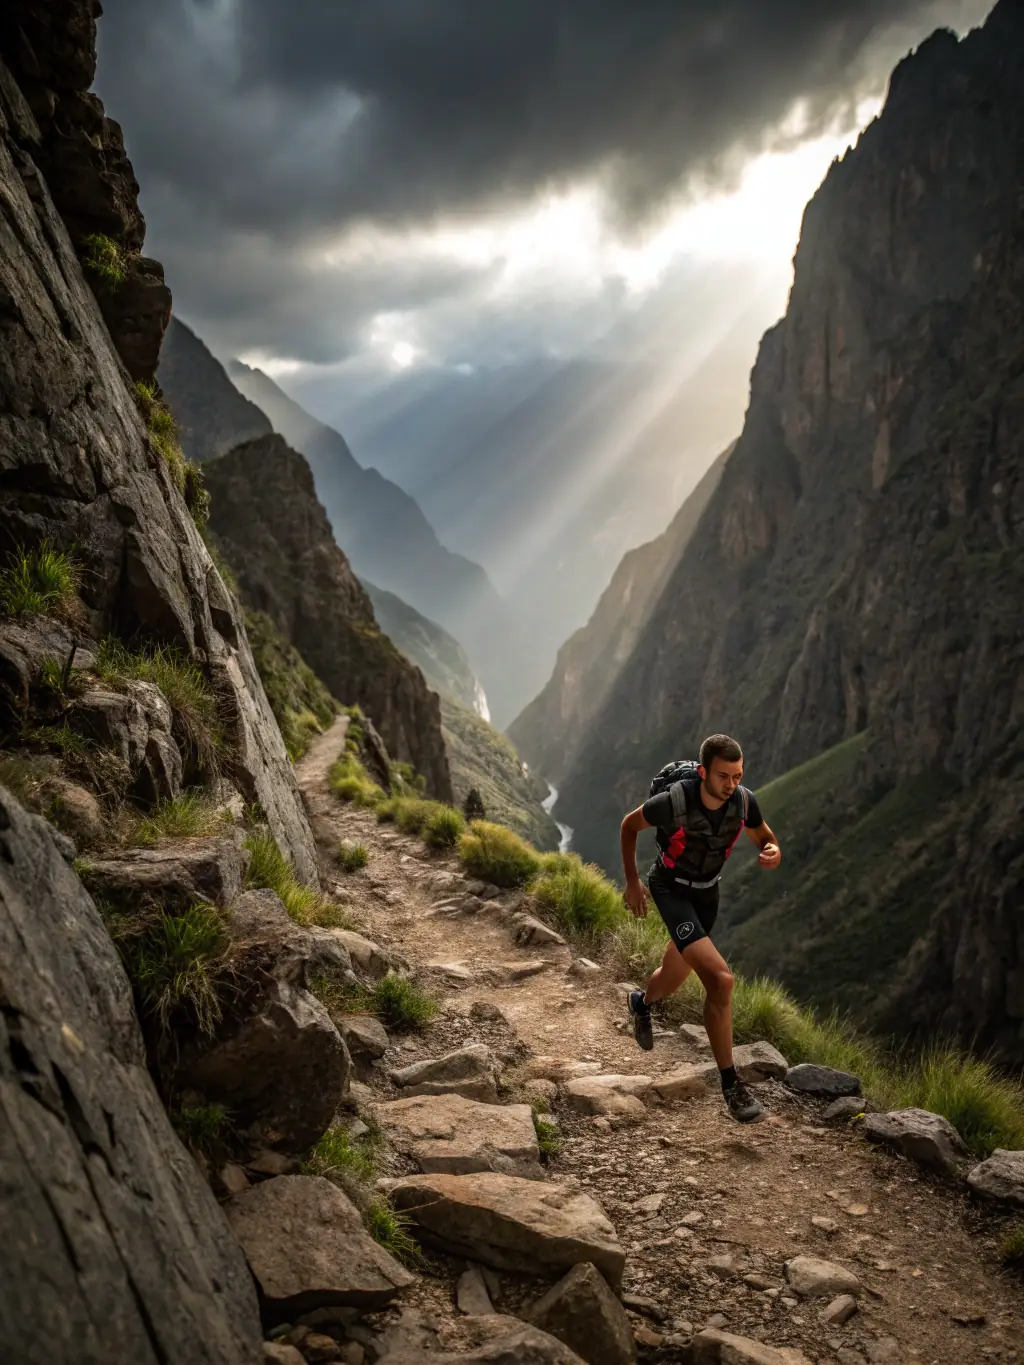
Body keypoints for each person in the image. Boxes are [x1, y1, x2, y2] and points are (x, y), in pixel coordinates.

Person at [619, 733, 781, 1123]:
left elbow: (765, 837)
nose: (732, 785)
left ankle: (641, 1004)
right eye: (724, 776)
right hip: (670, 889)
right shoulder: (672, 802)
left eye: (738, 775)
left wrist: (772, 851)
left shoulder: (744, 801)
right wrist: (632, 882)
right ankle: (731, 1086)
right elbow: (629, 826)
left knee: (673, 974)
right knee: (721, 980)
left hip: (707, 895)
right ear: (704, 772)